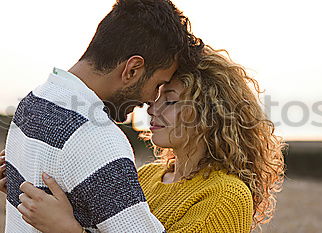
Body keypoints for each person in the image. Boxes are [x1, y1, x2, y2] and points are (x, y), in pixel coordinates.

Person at [0, 46, 286, 232]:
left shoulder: (226, 196)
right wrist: (28, 184)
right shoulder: (146, 175)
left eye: (170, 101)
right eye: (156, 97)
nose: (152, 107)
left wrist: (66, 229)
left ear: (211, 116)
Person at [3, 0, 203, 232]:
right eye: (158, 84)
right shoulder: (97, 138)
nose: (151, 100)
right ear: (133, 70)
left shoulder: (32, 102)